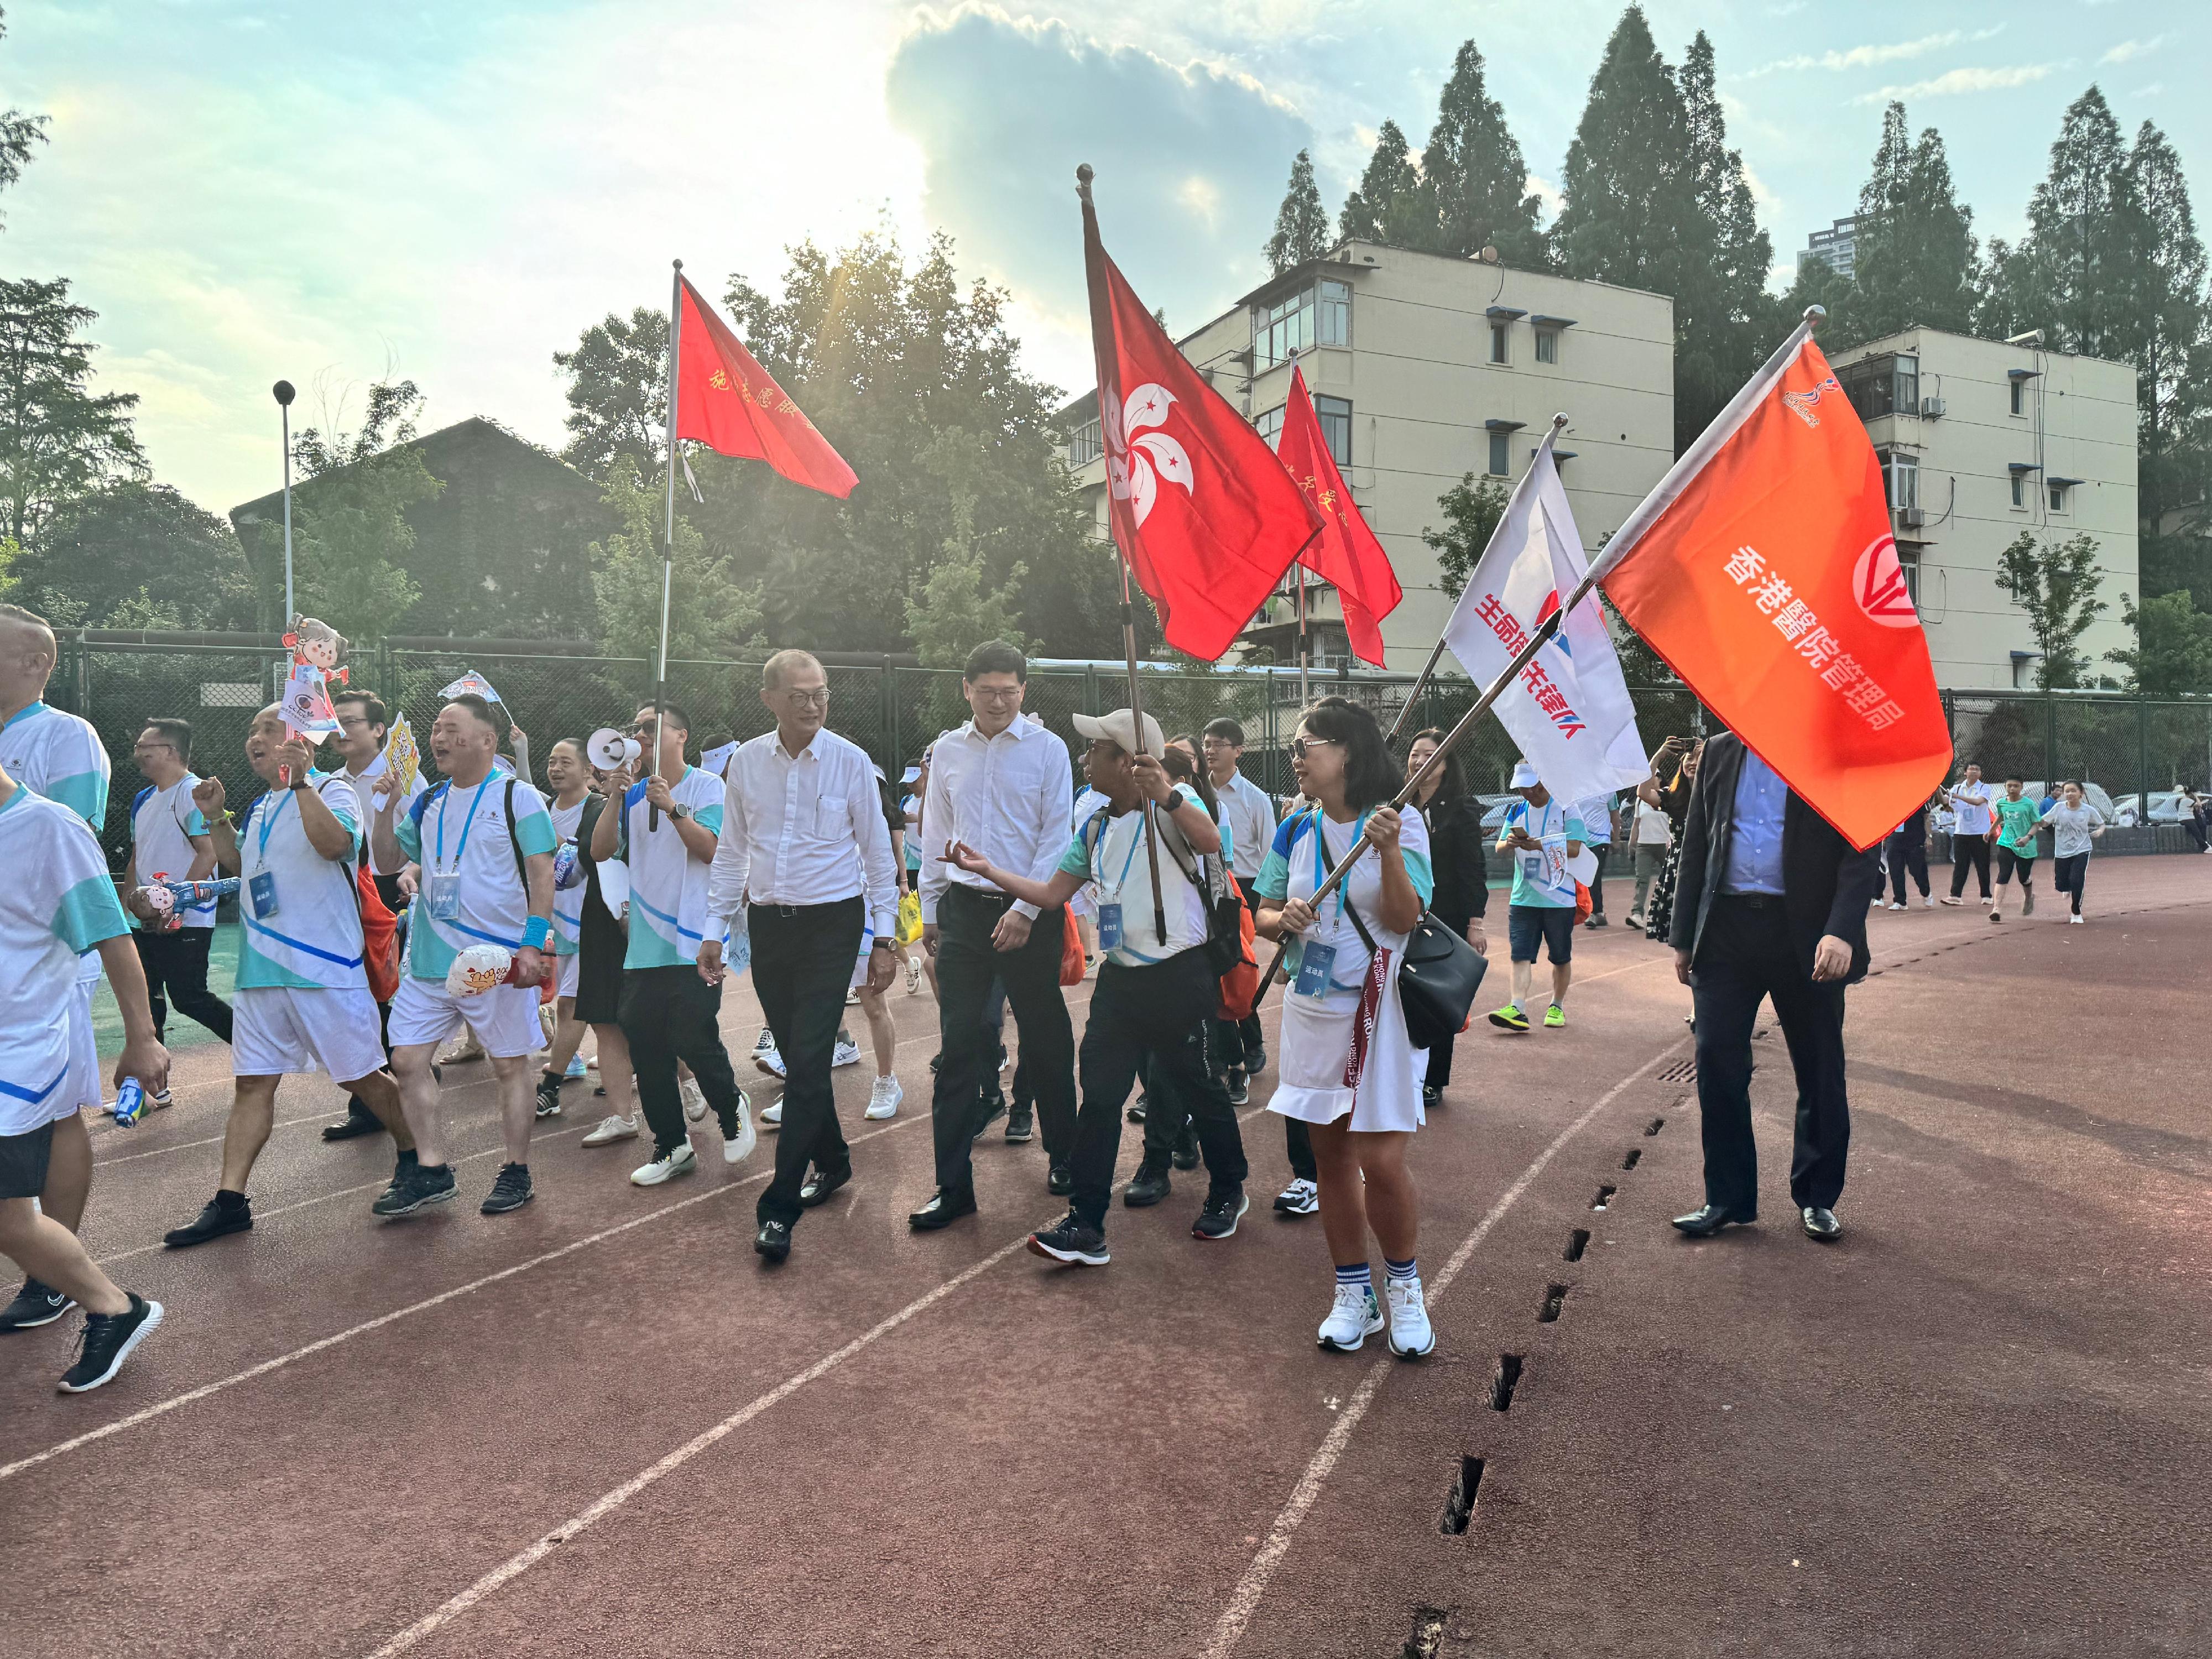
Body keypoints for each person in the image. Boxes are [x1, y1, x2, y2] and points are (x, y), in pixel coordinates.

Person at [947, 706, 1248, 1266]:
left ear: (1128, 761)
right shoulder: (1096, 824)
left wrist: (1168, 794)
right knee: (1102, 1098)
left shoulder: (1177, 806)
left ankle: (1229, 1188)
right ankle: (1086, 1223)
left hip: (1180, 976)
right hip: (1120, 983)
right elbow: (1051, 893)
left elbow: (1209, 843)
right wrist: (989, 871)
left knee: (1199, 1089)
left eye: (1095, 751)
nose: (1084, 758)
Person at [154, 708, 417, 1247]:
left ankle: (419, 1159)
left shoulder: (336, 791)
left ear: (301, 743)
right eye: (253, 732)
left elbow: (337, 846)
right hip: (261, 968)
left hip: (324, 967)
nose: (255, 739)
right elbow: (239, 868)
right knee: (252, 1083)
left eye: (268, 730)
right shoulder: (259, 805)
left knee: (362, 1077)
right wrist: (215, 818)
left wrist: (301, 783)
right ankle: (230, 1201)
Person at [1252, 697, 1437, 1355]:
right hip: (1311, 1007)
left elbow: (1404, 917)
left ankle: (1406, 1293)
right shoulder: (1295, 829)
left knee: (1381, 1161)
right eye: (1297, 746)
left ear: (1349, 752)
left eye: (1309, 744)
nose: (1297, 757)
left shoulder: (1400, 822)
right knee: (1329, 1159)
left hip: (1378, 1010)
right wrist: (1285, 919)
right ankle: (1352, 1293)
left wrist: (1386, 852)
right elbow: (1263, 913)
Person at [702, 651, 899, 1264]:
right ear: (769, 698)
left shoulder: (850, 761)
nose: (813, 704)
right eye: (799, 695)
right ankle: (834, 1160)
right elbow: (731, 852)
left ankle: (779, 1206)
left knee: (809, 1060)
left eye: (821, 694)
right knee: (797, 1055)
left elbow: (877, 857)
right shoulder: (745, 764)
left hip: (831, 926)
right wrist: (714, 928)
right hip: (769, 924)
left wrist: (885, 939)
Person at [1668, 733, 1882, 1242]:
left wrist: (1841, 930)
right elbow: (1697, 840)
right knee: (1717, 1061)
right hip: (1725, 931)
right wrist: (1682, 937)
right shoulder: (1719, 751)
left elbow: (1862, 845)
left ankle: (1817, 1199)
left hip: (1806, 936)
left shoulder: (1831, 751)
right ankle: (1727, 1198)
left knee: (1820, 1068)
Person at [0, 754, 170, 1389]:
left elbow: (112, 934)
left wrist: (142, 1037)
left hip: (16, 1046)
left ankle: (115, 1307)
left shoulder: (51, 828)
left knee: (8, 1216)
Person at [367, 694, 557, 1218]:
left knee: (509, 1065)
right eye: (436, 729)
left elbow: (543, 874)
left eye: (452, 729)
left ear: (488, 741)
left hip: (493, 962)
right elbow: (386, 860)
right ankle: (432, 1170)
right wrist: (385, 807)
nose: (439, 738)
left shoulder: (519, 798)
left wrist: (531, 943)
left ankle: (516, 1171)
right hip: (430, 960)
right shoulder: (428, 800)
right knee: (405, 1060)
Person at [909, 641, 1078, 1230]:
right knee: (958, 1047)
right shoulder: (948, 751)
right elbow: (935, 830)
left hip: (1030, 911)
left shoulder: (1048, 750)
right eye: (987, 691)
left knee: (1047, 1036)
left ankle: (1065, 1157)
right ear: (966, 690)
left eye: (1010, 690)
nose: (999, 700)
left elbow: (1058, 835)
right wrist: (930, 908)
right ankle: (951, 1187)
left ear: (1024, 691)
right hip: (962, 913)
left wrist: (1026, 911)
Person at [0, 602, 115, 1334]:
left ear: (37, 662)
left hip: (45, 955)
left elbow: (73, 849)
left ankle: (55, 1273)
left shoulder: (65, 734)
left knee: (63, 1104)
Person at [586, 702, 754, 1184]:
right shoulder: (632, 793)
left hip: (695, 936)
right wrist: (617, 797)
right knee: (647, 1046)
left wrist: (672, 808)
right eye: (636, 728)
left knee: (691, 1034)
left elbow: (711, 849)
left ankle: (730, 1107)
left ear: (681, 736)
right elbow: (600, 852)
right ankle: (672, 1146)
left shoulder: (708, 786)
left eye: (650, 728)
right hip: (644, 943)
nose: (639, 736)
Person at [322, 688, 425, 1142]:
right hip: (347, 895)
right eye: (336, 723)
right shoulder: (330, 781)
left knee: (388, 994)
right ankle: (375, 1099)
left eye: (351, 721)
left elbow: (423, 838)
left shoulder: (405, 776)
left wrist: (410, 878)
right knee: (361, 995)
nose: (341, 731)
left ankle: (405, 1084)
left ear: (379, 729)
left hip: (395, 889)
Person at [126, 717, 233, 1065]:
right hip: (146, 919)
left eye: (145, 747)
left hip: (187, 918)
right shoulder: (143, 798)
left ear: (170, 751)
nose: (137, 753)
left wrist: (176, 905)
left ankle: (262, 1049)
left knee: (189, 997)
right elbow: (136, 857)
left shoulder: (193, 793)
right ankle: (152, 1084)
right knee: (145, 998)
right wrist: (132, 909)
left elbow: (210, 851)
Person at [1406, 728, 1484, 1114]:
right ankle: (1405, 1073)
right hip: (1401, 911)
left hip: (1445, 916)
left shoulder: (1461, 807)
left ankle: (1433, 1079)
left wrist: (1476, 921)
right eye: (1415, 754)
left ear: (1446, 762)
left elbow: (1473, 868)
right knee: (1400, 995)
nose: (1419, 761)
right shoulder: (1398, 804)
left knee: (1436, 995)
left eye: (1428, 756)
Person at [572, 754, 645, 1147]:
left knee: (659, 1014)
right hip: (601, 921)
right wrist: (613, 799)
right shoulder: (596, 808)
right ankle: (621, 1115)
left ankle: (690, 1084)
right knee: (604, 1018)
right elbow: (596, 854)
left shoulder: (656, 801)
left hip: (648, 919)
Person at [1202, 716, 1276, 1101]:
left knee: (1236, 968)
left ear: (1238, 750)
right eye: (1207, 743)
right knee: (1217, 973)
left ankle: (1252, 1045)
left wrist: (1262, 905)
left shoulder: (1253, 798)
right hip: (1208, 887)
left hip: (1243, 890)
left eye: (1218, 744)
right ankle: (1228, 1051)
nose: (1210, 750)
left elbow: (1269, 854)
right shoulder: (1198, 793)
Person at [1487, 761, 1584, 1033]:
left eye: (1530, 787)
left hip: (1559, 896)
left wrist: (1539, 844)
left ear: (1543, 782)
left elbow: (1576, 848)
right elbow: (1499, 847)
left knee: (1560, 956)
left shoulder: (1566, 807)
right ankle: (1517, 1007)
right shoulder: (1516, 810)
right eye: (1521, 788)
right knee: (1520, 954)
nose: (1526, 793)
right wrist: (1511, 843)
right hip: (1522, 897)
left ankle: (1557, 1005)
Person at [533, 735, 594, 1117]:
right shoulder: (539, 809)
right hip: (550, 920)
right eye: (552, 761)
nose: (555, 769)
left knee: (572, 1002)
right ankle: (569, 1060)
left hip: (591, 921)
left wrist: (549, 839)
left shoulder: (599, 808)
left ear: (589, 770)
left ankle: (550, 1088)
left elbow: (573, 867)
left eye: (565, 762)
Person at [2039, 781, 2107, 922]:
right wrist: (2035, 822)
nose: (2070, 794)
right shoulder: (2058, 808)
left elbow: (2101, 823)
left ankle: (2076, 912)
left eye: (2073, 791)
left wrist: (2100, 831)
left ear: (2081, 793)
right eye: (2067, 791)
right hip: (2062, 851)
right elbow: (2044, 822)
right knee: (2061, 884)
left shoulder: (2088, 810)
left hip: (2082, 849)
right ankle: (2067, 888)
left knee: (2077, 879)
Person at [1626, 760, 1674, 929]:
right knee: (1642, 880)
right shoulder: (1641, 801)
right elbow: (1636, 823)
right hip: (1644, 846)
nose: (1649, 781)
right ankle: (1637, 914)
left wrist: (1672, 841)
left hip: (1664, 846)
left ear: (1660, 779)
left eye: (1652, 777)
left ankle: (1673, 913)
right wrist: (1632, 843)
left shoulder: (1668, 797)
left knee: (1672, 880)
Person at [1939, 763, 1994, 905]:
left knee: (1982, 865)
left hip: (1980, 833)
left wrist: (1958, 797)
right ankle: (1955, 895)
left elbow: (1978, 802)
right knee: (1961, 865)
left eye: (1977, 769)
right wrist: (1937, 791)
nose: (1974, 772)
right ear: (1965, 772)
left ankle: (1986, 895)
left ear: (1980, 774)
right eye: (1971, 769)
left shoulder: (1984, 788)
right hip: (1961, 833)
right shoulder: (1957, 787)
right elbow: (1946, 802)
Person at [1989, 774, 2039, 923]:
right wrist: (1991, 830)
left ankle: (2029, 897)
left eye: (2016, 786)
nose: (2012, 789)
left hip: (2026, 845)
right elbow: (2000, 816)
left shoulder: (2029, 804)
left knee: (2023, 877)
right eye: (2009, 785)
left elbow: (2036, 824)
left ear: (2021, 787)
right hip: (2006, 842)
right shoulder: (2001, 803)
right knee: (2004, 874)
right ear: (2005, 787)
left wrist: (2027, 838)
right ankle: (1996, 909)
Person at [1884, 792, 1935, 911]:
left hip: (1915, 839)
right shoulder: (1889, 800)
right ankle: (1900, 901)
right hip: (1894, 839)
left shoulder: (1919, 797)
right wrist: (1885, 838)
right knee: (1895, 871)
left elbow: (1927, 818)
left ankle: (1926, 892)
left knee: (1916, 870)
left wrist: (1929, 837)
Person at [1575, 789, 1618, 928]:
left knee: (1594, 874)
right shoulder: (1578, 787)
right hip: (1582, 840)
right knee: (1582, 876)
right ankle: (1598, 912)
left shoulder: (1609, 789)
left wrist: (1616, 839)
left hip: (1601, 839)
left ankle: (1593, 912)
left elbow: (1615, 815)